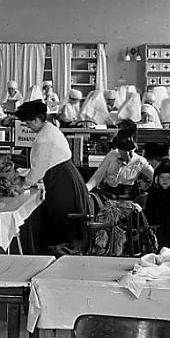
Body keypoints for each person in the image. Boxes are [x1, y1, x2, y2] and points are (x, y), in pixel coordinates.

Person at [16, 99, 92, 252]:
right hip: (66, 177)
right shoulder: (50, 129)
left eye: (28, 123)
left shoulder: (44, 139)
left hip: (62, 182)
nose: (28, 127)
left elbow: (38, 170)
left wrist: (21, 185)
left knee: (59, 218)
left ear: (37, 120)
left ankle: (59, 254)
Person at [85, 126, 154, 200]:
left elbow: (155, 175)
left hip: (127, 196)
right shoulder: (112, 155)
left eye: (130, 151)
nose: (127, 154)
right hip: (107, 194)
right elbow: (98, 175)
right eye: (124, 151)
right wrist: (86, 189)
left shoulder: (140, 161)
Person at [144, 163, 170, 252]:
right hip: (157, 228)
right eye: (162, 177)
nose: (165, 180)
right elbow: (149, 210)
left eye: (168, 177)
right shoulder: (153, 193)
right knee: (158, 250)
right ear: (157, 179)